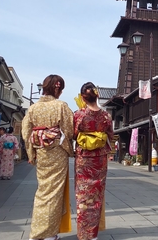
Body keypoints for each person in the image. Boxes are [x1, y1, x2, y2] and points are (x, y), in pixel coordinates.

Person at [22, 75, 74, 240]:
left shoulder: (33, 108)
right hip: (57, 152)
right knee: (54, 192)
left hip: (42, 152)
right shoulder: (61, 106)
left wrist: (31, 153)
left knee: (43, 191)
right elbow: (69, 130)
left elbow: (26, 133)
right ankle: (49, 234)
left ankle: (38, 231)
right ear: (57, 88)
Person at [73, 82, 113, 240]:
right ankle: (93, 235)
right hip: (100, 159)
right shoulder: (106, 116)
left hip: (84, 158)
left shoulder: (79, 115)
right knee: (96, 195)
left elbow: (73, 134)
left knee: (83, 196)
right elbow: (110, 135)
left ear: (83, 97)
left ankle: (84, 234)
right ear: (97, 96)